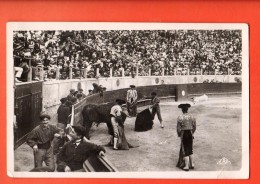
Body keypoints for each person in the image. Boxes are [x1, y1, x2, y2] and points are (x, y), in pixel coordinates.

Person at [176, 103, 196, 171]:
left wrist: (179, 135)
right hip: (190, 133)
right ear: (187, 109)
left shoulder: (180, 117)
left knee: (185, 149)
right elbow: (194, 127)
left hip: (184, 133)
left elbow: (178, 128)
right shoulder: (192, 116)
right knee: (190, 148)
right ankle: (192, 164)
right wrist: (192, 133)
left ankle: (186, 166)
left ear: (182, 110)